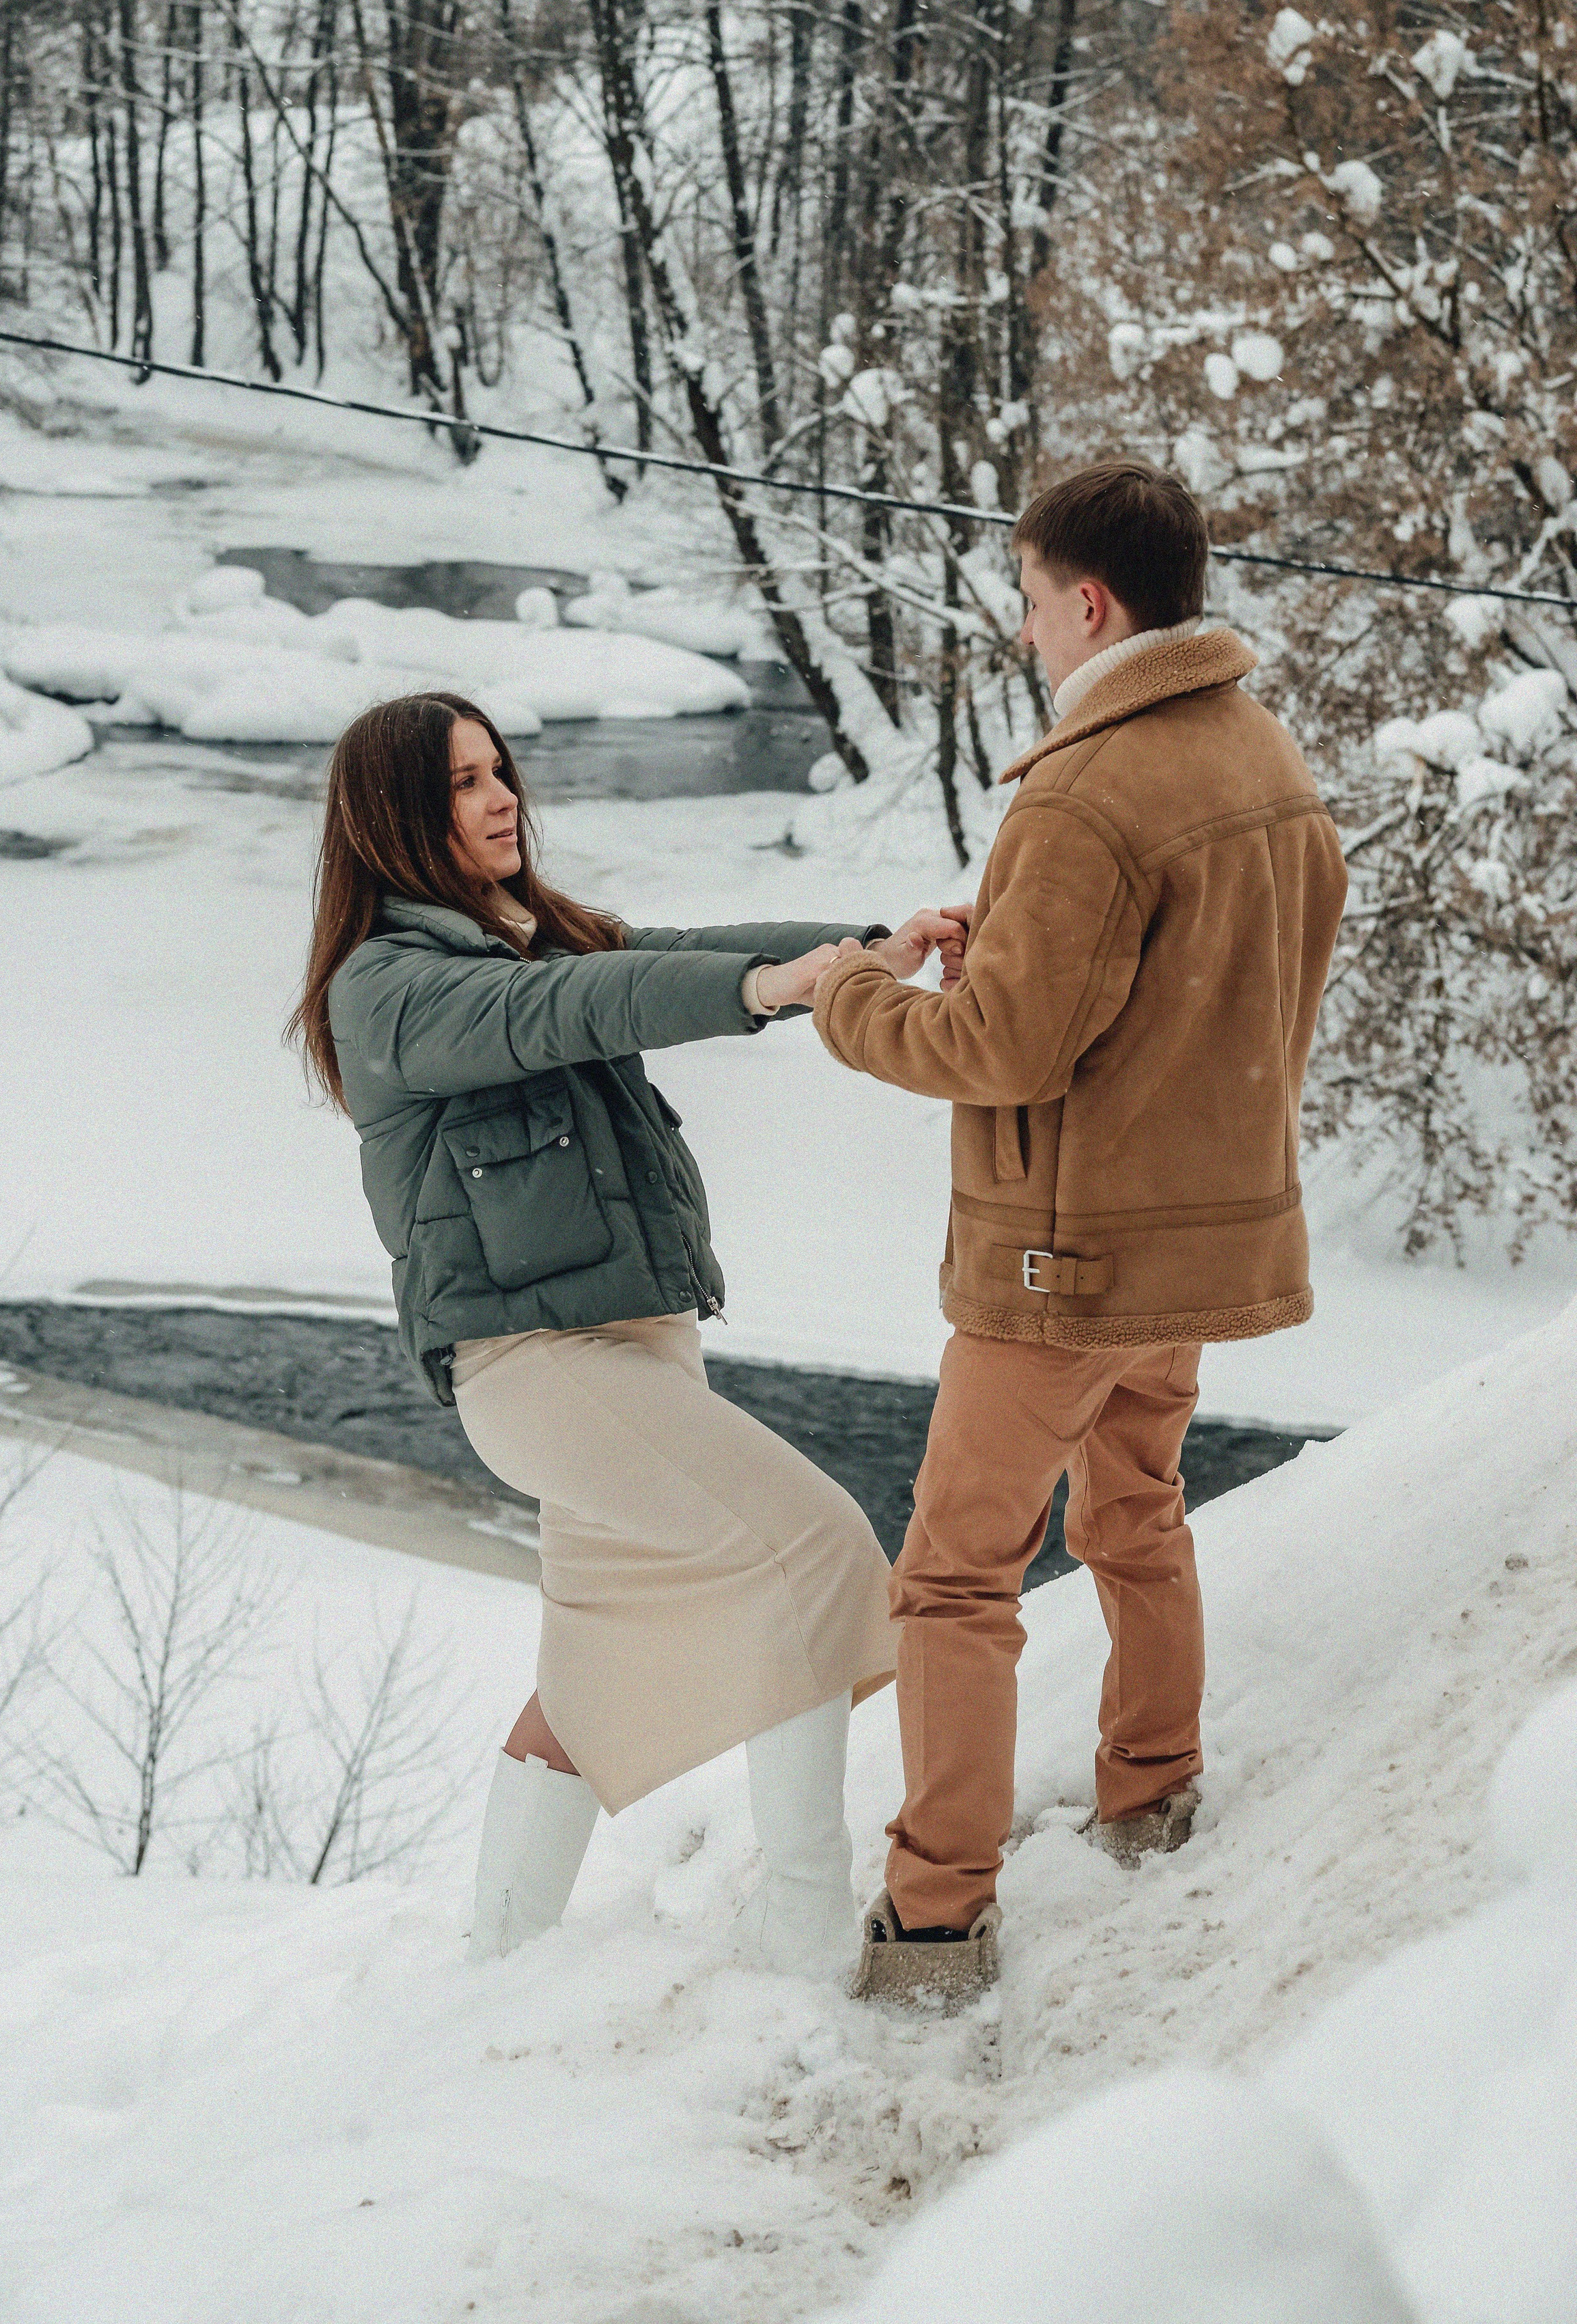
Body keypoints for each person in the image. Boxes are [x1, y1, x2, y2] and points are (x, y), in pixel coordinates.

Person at [289, 689, 964, 1973]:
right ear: (390, 823)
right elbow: (587, 1008)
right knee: (816, 1552)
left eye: (499, 772)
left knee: (592, 1676)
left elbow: (650, 953)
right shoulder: (390, 988)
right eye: (460, 787)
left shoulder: (526, 938)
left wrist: (868, 947)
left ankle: (495, 1966)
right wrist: (773, 989)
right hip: (540, 1371)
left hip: (632, 1347)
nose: (500, 800)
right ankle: (808, 1932)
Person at [810, 460, 1349, 2005]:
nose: (1028, 631)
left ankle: (931, 1920)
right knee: (1133, 1517)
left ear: (1091, 601)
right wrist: (1028, 964)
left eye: (1033, 603)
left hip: (1063, 1264)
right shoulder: (1264, 756)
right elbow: (1208, 999)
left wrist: (854, 988)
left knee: (955, 1580)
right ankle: (1151, 1792)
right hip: (1187, 1249)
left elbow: (997, 1054)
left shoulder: (1083, 790)